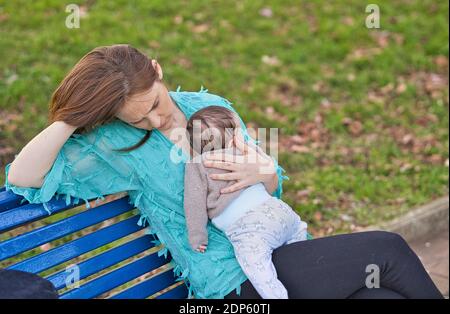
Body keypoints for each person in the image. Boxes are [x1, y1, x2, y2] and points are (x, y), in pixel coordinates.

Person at [3, 44, 443, 299]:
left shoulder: (208, 109)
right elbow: (22, 178)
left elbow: (269, 184)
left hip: (276, 252)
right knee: (387, 250)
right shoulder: (115, 149)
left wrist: (267, 172)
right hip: (231, 289)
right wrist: (74, 117)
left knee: (381, 295)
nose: (155, 122)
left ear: (157, 71)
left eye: (154, 104)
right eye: (136, 118)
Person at [183, 106, 308, 299]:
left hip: (249, 228)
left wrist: (198, 237)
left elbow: (194, 204)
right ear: (235, 136)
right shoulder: (245, 149)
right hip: (280, 211)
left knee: (256, 266)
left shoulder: (197, 164)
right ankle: (301, 254)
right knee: (297, 229)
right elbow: (266, 167)